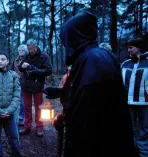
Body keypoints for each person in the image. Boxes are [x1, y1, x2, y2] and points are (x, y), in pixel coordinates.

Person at [43, 11, 136, 157]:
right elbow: (86, 91)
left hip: (96, 142)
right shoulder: (94, 56)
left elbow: (87, 106)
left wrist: (65, 118)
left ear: (76, 37)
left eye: (67, 40)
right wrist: (61, 92)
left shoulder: (93, 60)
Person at [18, 39, 52, 137]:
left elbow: (49, 71)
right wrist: (22, 66)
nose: (30, 51)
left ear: (36, 46)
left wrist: (33, 69)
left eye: (32, 49)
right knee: (26, 106)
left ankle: (39, 127)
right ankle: (27, 126)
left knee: (39, 107)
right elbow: (20, 68)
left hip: (38, 86)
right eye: (29, 49)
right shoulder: (26, 55)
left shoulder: (44, 56)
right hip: (26, 85)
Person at [121, 38, 148, 157]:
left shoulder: (147, 62)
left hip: (145, 102)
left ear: (139, 48)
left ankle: (143, 152)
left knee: (145, 128)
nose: (129, 50)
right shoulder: (125, 63)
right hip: (128, 101)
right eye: (128, 48)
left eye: (131, 47)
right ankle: (131, 150)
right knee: (128, 127)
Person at [11, 45, 28, 126]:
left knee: (22, 101)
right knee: (15, 100)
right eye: (19, 50)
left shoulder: (28, 59)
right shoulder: (15, 60)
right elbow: (11, 70)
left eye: (22, 50)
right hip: (15, 83)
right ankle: (15, 117)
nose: (21, 52)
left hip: (25, 83)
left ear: (26, 51)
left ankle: (22, 117)